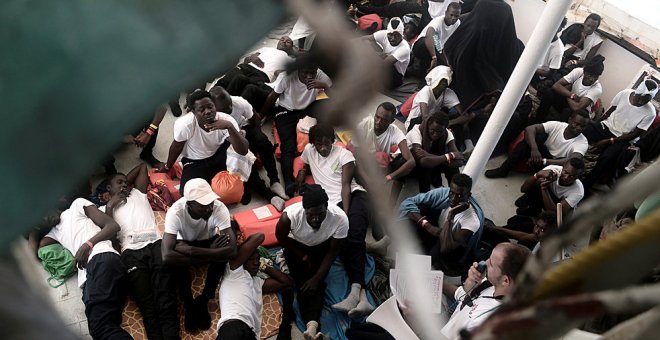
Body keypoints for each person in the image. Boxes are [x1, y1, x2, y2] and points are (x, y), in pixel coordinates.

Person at [295, 124, 374, 318]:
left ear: (333, 140)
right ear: (313, 144)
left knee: (352, 234)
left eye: (327, 143)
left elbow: (346, 186)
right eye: (319, 144)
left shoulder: (344, 155)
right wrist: (302, 174)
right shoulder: (309, 150)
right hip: (330, 204)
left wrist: (345, 216)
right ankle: (362, 297)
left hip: (352, 197)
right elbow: (303, 162)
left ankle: (356, 292)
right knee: (341, 243)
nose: (323, 147)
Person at [34, 198, 130, 340]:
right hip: (90, 276)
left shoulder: (76, 206)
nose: (45, 216)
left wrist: (87, 245)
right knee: (106, 328)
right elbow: (34, 254)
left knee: (101, 328)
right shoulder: (53, 233)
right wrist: (33, 229)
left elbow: (112, 226)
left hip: (101, 258)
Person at [102, 164, 179, 339]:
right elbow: (111, 238)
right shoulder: (106, 209)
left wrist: (125, 186)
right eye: (118, 183)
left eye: (125, 182)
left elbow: (142, 167)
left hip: (155, 245)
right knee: (147, 305)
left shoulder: (138, 193)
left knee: (165, 298)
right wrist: (110, 206)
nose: (123, 185)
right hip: (131, 253)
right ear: (108, 188)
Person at [161, 178, 237, 332]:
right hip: (186, 243)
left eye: (210, 202)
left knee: (222, 256)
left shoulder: (218, 207)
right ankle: (189, 304)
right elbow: (166, 256)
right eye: (203, 206)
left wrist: (194, 253)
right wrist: (211, 254)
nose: (209, 208)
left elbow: (232, 250)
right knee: (175, 264)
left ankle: (204, 299)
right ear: (189, 204)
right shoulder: (175, 212)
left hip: (202, 244)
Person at [275, 184, 349, 340]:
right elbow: (281, 238)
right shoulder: (289, 217)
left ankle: (312, 327)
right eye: (311, 215)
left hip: (322, 247)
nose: (316, 219)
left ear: (327, 207)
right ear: (304, 210)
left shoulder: (340, 219)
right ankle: (313, 326)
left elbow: (333, 250)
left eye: (320, 214)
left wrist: (317, 277)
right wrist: (302, 256)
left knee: (316, 281)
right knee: (303, 280)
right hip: (296, 247)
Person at [157, 90, 249, 195]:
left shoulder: (226, 120)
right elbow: (176, 147)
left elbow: (243, 151)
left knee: (241, 144)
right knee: (186, 193)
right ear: (193, 112)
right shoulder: (185, 124)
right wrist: (167, 166)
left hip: (218, 154)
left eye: (210, 107)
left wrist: (230, 127)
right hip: (195, 161)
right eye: (201, 109)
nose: (208, 111)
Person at [259, 60, 332, 189]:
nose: (309, 77)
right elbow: (272, 97)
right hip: (286, 110)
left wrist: (324, 86)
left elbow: (335, 97)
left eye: (312, 73)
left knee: (325, 126)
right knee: (288, 145)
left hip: (309, 106)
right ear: (298, 70)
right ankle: (288, 182)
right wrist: (260, 117)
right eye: (305, 73)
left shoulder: (320, 75)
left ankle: (326, 165)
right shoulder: (286, 77)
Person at [209, 86, 287, 199]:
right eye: (226, 108)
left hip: (243, 128)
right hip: (226, 139)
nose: (230, 108)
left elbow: (255, 119)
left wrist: (257, 141)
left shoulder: (239, 102)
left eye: (230, 103)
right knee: (243, 159)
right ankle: (268, 195)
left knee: (263, 142)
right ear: (214, 106)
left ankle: (275, 181)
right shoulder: (210, 116)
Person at [440, 243, 531, 338]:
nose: (485, 262)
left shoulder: (488, 322)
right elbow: (465, 296)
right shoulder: (491, 283)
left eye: (491, 263)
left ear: (505, 280)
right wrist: (471, 282)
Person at [399, 174, 483, 276]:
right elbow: (407, 203)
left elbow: (445, 248)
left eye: (460, 196)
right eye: (452, 193)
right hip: (433, 228)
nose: (454, 198)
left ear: (469, 195)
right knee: (419, 208)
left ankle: (415, 272)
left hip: (444, 242)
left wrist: (451, 215)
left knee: (434, 252)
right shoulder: (444, 193)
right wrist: (427, 225)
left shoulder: (472, 222)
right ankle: (389, 243)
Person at [581, 80, 658, 189]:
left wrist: (609, 141)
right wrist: (596, 124)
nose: (641, 102)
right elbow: (609, 112)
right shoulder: (624, 94)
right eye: (640, 98)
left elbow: (634, 135)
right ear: (636, 92)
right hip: (607, 126)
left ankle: (586, 185)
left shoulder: (650, 112)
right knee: (584, 131)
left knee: (607, 157)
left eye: (646, 100)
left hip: (623, 139)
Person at [216, 233, 293, 340]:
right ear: (242, 260)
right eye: (251, 260)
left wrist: (263, 266)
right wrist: (240, 250)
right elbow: (259, 236)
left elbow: (286, 282)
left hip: (251, 332)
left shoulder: (257, 282)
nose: (256, 263)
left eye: (258, 260)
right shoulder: (234, 272)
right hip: (233, 325)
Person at [485, 110, 589, 178]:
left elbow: (573, 161)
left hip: (554, 164)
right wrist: (534, 150)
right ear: (570, 120)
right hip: (541, 154)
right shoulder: (558, 125)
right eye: (576, 123)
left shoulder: (582, 142)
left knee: (564, 170)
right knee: (531, 140)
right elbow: (530, 129)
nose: (579, 128)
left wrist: (543, 161)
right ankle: (503, 170)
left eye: (583, 126)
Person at [354, 102, 416, 203]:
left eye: (384, 120)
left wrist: (389, 177)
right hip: (363, 164)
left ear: (391, 121)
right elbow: (356, 157)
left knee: (401, 161)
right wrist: (368, 180)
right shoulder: (364, 125)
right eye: (377, 117)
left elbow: (411, 161)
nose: (378, 122)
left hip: (381, 167)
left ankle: (392, 204)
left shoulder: (395, 132)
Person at [215, 36, 296, 105]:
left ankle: (225, 105)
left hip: (262, 75)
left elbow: (285, 74)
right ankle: (211, 99)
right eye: (282, 39)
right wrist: (252, 58)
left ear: (291, 48)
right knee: (227, 79)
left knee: (241, 86)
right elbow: (246, 60)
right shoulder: (266, 48)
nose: (284, 42)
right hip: (247, 67)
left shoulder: (290, 60)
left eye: (288, 42)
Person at [536, 55, 604, 123]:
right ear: (584, 71)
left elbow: (577, 108)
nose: (592, 79)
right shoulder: (578, 72)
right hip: (570, 101)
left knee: (567, 111)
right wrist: (571, 95)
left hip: (582, 111)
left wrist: (567, 93)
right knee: (549, 93)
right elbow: (556, 85)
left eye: (596, 76)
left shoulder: (597, 89)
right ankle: (538, 120)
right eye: (590, 75)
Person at [407, 112, 464, 193]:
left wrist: (429, 156)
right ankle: (425, 200)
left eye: (440, 132)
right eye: (432, 130)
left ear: (445, 129)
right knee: (427, 166)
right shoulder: (416, 132)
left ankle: (455, 193)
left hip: (433, 164)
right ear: (428, 125)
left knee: (453, 168)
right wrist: (448, 156)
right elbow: (423, 162)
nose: (435, 134)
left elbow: (460, 161)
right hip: (413, 168)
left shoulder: (447, 134)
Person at [407, 3, 461, 80]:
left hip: (438, 46)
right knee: (428, 46)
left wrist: (447, 62)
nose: (453, 18)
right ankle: (422, 80)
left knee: (445, 68)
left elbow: (440, 44)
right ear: (446, 13)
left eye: (456, 16)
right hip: (421, 45)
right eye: (451, 15)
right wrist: (434, 57)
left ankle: (416, 70)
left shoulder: (457, 23)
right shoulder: (438, 21)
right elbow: (429, 35)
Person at [517, 157, 585, 217]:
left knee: (560, 220)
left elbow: (556, 214)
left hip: (557, 203)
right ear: (563, 166)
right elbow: (523, 189)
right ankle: (534, 208)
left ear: (578, 177)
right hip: (549, 194)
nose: (566, 177)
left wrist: (544, 188)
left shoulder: (578, 191)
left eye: (572, 176)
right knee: (538, 181)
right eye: (565, 172)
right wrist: (537, 175)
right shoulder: (552, 169)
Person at [405, 65, 462, 131]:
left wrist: (450, 122)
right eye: (441, 80)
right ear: (436, 79)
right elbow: (424, 116)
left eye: (446, 80)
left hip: (433, 122)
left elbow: (463, 115)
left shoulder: (448, 93)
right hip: (416, 123)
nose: (444, 83)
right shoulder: (426, 91)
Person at [361, 17, 411, 89]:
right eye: (390, 35)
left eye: (396, 35)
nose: (393, 38)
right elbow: (362, 39)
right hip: (382, 63)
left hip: (394, 79)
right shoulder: (384, 34)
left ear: (402, 35)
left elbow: (383, 65)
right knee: (368, 44)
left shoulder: (405, 48)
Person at [531, 17, 567, 88]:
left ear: (560, 29)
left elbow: (550, 74)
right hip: (531, 68)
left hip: (539, 76)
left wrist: (531, 69)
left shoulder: (558, 49)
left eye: (555, 25)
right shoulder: (539, 37)